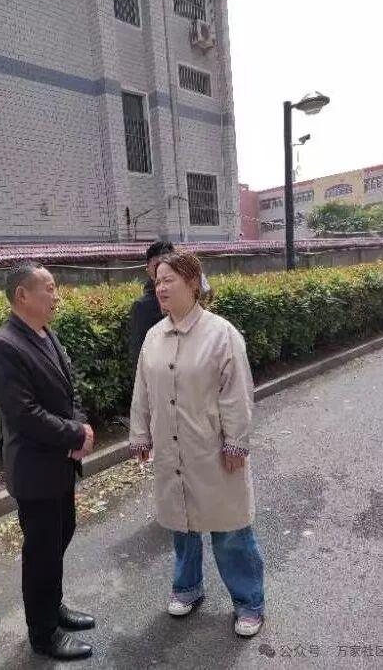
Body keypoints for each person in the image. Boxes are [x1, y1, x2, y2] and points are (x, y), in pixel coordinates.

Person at [130, 252, 265, 637]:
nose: (160, 287)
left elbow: (237, 394)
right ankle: (187, 587)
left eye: (169, 280)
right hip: (171, 452)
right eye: (157, 281)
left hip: (212, 450)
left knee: (230, 530)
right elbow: (142, 390)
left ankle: (249, 601)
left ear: (192, 283)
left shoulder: (221, 334)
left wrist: (236, 442)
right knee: (182, 526)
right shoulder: (154, 337)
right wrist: (140, 434)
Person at [0, 262, 95, 661]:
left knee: (61, 535)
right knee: (41, 553)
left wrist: (80, 427)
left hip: (60, 464)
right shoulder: (4, 345)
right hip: (35, 471)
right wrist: (75, 435)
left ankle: (53, 606)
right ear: (22, 296)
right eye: (48, 288)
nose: (56, 295)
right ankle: (43, 633)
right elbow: (24, 414)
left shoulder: (47, 333)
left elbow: (69, 391)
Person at [129, 241, 174, 371]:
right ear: (148, 269)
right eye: (156, 266)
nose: (162, 270)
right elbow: (139, 355)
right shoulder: (142, 307)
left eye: (167, 265)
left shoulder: (186, 299)